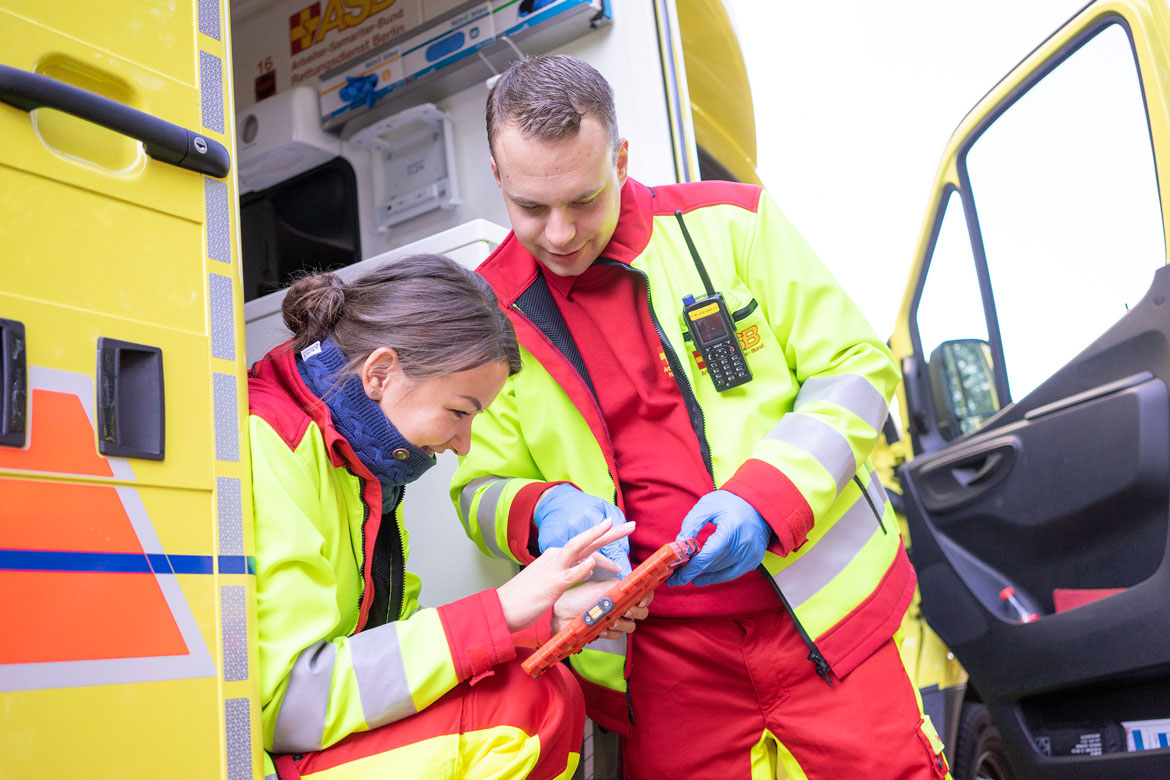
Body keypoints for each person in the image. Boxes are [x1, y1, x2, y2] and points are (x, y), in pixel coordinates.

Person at [451, 56, 952, 779]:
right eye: (532, 208)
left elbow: (855, 366)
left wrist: (764, 498)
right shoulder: (488, 308)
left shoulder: (734, 223)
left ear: (621, 159)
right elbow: (478, 487)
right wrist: (543, 509)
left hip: (824, 627)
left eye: (584, 200)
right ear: (498, 177)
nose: (559, 234)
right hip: (658, 668)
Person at [248, 254, 646, 780]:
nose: (463, 445)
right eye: (460, 412)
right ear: (380, 372)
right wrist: (501, 612)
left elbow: (379, 646)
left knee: (531, 685)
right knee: (524, 711)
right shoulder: (272, 443)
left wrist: (542, 619)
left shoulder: (359, 454)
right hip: (278, 748)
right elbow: (289, 705)